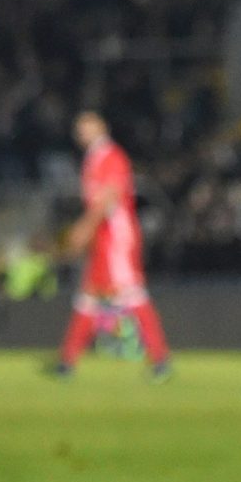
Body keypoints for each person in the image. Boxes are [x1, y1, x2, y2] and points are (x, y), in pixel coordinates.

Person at [52, 112, 171, 381]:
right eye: (79, 129)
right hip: (104, 237)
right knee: (89, 297)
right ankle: (67, 361)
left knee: (132, 294)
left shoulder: (111, 156)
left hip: (117, 236)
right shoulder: (94, 158)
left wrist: (85, 227)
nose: (81, 134)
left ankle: (160, 359)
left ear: (101, 127)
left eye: (87, 127)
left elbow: (110, 196)